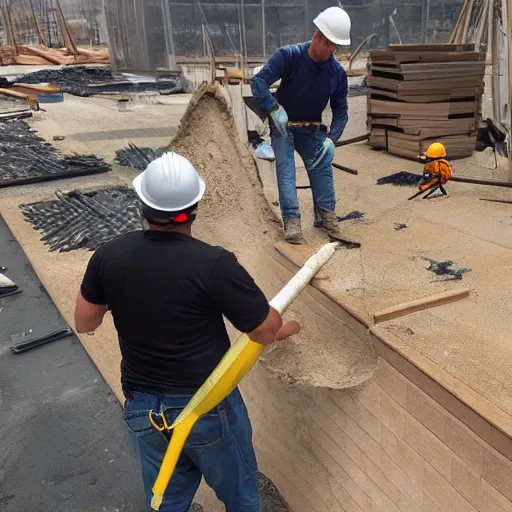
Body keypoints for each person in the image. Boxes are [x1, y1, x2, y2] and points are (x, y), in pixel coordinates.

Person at [74, 152, 299, 512]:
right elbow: (264, 331)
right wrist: (287, 327)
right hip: (205, 406)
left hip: (143, 409)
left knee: (168, 500)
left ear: (142, 204)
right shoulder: (213, 263)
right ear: (193, 207)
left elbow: (85, 322)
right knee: (241, 498)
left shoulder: (108, 256)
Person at [251, 6, 359, 247]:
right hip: (283, 127)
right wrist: (273, 109)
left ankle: (326, 217)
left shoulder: (336, 74)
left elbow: (341, 111)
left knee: (322, 168)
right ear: (316, 35)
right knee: (286, 172)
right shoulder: (288, 56)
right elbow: (258, 82)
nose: (328, 49)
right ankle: (291, 221)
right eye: (325, 42)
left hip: (312, 129)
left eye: (333, 45)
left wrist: (332, 138)